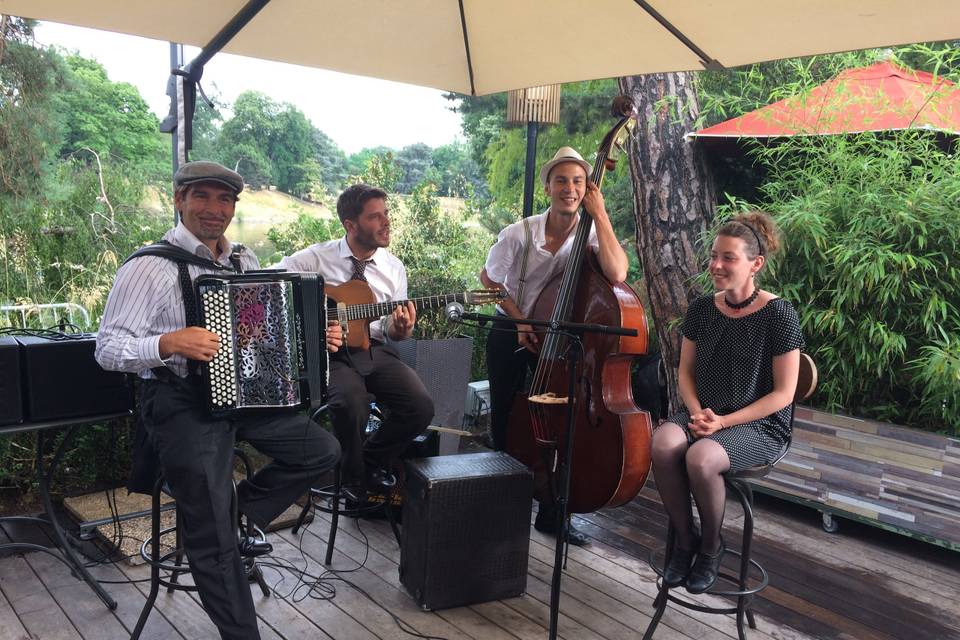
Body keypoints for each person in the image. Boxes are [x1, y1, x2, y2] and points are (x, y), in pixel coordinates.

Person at [96, 161, 341, 640]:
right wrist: (167, 343)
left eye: (224, 200)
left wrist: (318, 340)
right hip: (178, 397)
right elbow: (106, 349)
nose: (214, 209)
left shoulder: (243, 263)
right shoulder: (149, 265)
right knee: (215, 539)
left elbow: (268, 336)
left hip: (241, 395)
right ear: (179, 200)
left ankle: (233, 513)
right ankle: (238, 617)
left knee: (323, 451)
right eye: (203, 197)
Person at [480, 146, 629, 546]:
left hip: (560, 342)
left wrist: (601, 214)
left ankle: (552, 513)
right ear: (548, 186)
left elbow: (617, 272)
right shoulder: (518, 233)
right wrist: (520, 319)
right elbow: (488, 280)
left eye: (578, 181)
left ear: (587, 188)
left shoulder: (592, 231)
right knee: (507, 417)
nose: (570, 188)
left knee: (562, 423)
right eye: (562, 180)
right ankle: (503, 507)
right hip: (512, 328)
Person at [651, 211, 803, 594]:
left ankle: (710, 546)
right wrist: (698, 410)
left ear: (756, 264)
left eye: (729, 258)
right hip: (702, 411)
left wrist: (723, 422)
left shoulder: (779, 314)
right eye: (714, 256)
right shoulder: (703, 308)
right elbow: (684, 371)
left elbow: (783, 394)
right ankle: (684, 540)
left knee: (700, 458)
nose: (716, 265)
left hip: (758, 425)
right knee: (662, 443)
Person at [278, 183, 434, 496]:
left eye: (386, 214)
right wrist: (312, 329)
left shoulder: (393, 268)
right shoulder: (315, 259)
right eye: (375, 217)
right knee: (351, 402)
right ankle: (353, 480)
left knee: (420, 406)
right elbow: (269, 288)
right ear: (350, 225)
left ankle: (368, 463)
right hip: (329, 354)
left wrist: (400, 329)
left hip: (374, 350)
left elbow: (392, 329)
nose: (386, 222)